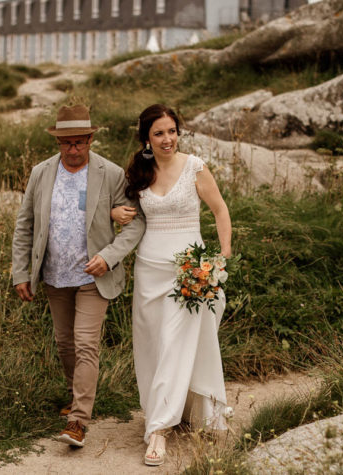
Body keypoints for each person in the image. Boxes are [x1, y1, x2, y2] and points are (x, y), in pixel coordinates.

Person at [12, 104, 145, 448]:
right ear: (58, 142)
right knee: (64, 343)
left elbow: (136, 223)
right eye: (66, 143)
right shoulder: (41, 172)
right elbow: (25, 224)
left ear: (89, 139)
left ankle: (78, 421)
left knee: (87, 343)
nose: (73, 149)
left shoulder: (112, 173)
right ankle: (76, 395)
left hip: (93, 277)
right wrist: (21, 272)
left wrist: (109, 256)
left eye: (79, 142)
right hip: (54, 275)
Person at [111, 104, 232, 466]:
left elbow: (220, 211)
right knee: (152, 345)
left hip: (188, 270)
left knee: (175, 342)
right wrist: (114, 213)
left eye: (172, 131)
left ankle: (159, 430)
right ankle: (170, 409)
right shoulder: (138, 172)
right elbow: (120, 210)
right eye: (159, 133)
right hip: (149, 269)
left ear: (179, 133)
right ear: (147, 138)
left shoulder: (194, 167)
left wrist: (220, 260)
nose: (167, 139)